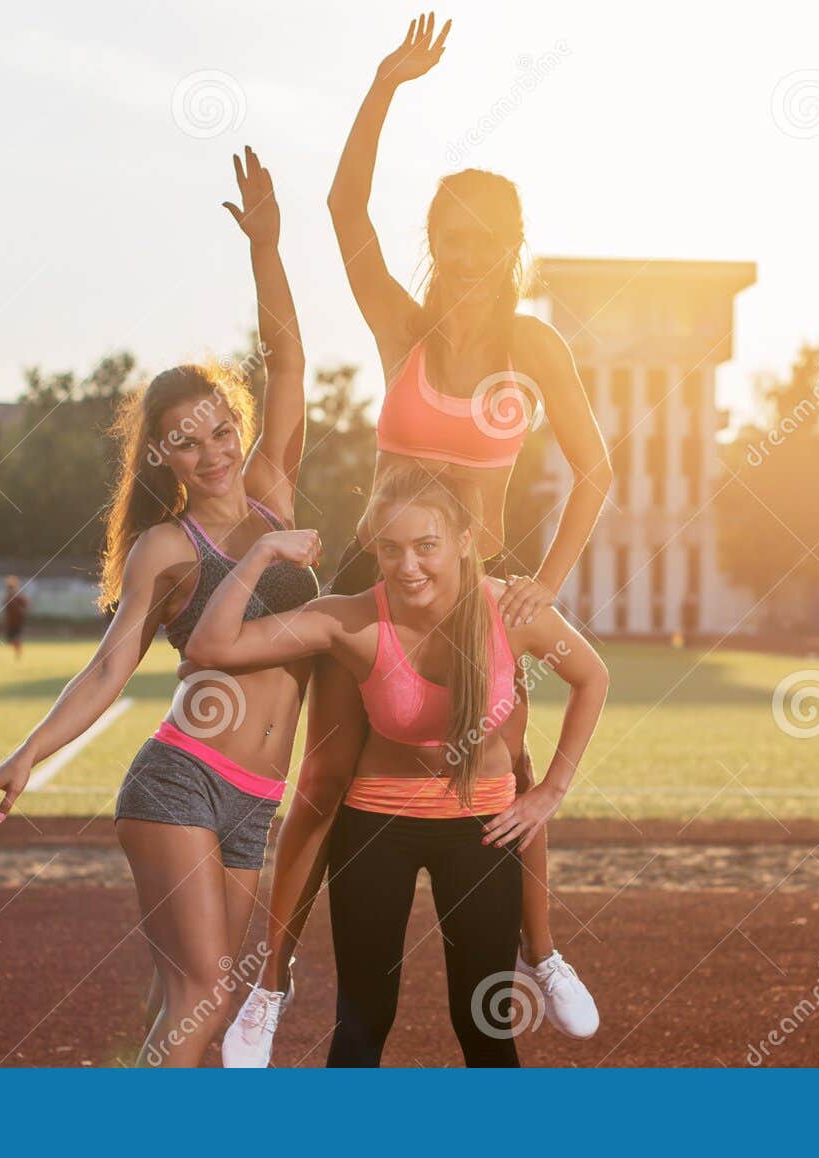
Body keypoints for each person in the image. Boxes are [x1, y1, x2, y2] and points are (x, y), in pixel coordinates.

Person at [224, 13, 612, 1063]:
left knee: (508, 768)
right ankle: (271, 978)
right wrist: (387, 84)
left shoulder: (535, 347)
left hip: (483, 582)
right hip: (381, 573)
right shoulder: (405, 329)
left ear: (513, 249)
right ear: (435, 246)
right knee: (327, 775)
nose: (470, 258)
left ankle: (539, 951)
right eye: (453, 239)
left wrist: (546, 585)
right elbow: (344, 207)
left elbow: (597, 472)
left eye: (489, 242)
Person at [0, 148, 314, 1067]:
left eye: (219, 428)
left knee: (209, 1011)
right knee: (203, 994)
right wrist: (26, 754)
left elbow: (289, 358)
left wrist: (268, 248)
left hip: (259, 801)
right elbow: (109, 666)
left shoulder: (273, 490)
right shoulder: (166, 549)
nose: (212, 450)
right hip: (180, 783)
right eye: (185, 444)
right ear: (164, 461)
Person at [188, 465, 609, 1066]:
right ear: (374, 548)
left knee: (484, 1023)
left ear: (464, 542)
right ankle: (271, 991)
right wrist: (257, 556)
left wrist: (551, 790)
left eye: (426, 546)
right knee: (362, 1019)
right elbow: (212, 647)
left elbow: (592, 676)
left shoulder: (512, 612)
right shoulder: (353, 620)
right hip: (376, 827)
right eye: (390, 549)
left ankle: (541, 955)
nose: (408, 566)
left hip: (484, 828)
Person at [1, 577, 28, 659]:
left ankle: (18, 651)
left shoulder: (19, 596)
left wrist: (20, 612)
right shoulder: (8, 596)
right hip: (10, 622)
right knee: (10, 639)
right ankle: (18, 649)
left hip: (17, 621)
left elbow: (26, 606)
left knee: (15, 637)